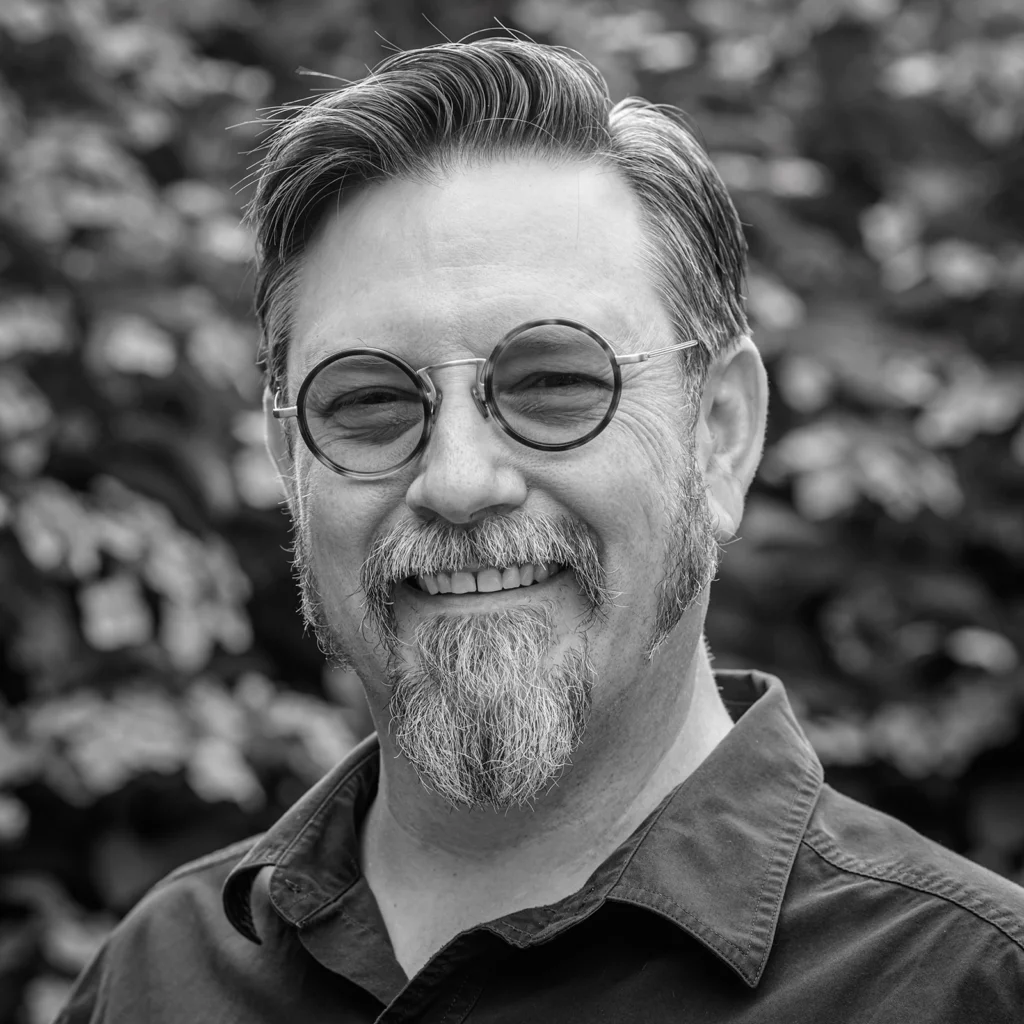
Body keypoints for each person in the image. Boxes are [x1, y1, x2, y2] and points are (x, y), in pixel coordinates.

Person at [57, 37, 1024, 1024]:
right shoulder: (155, 981)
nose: (460, 480)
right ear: (289, 463)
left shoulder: (967, 986)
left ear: (721, 434)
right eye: (368, 403)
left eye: (555, 384)